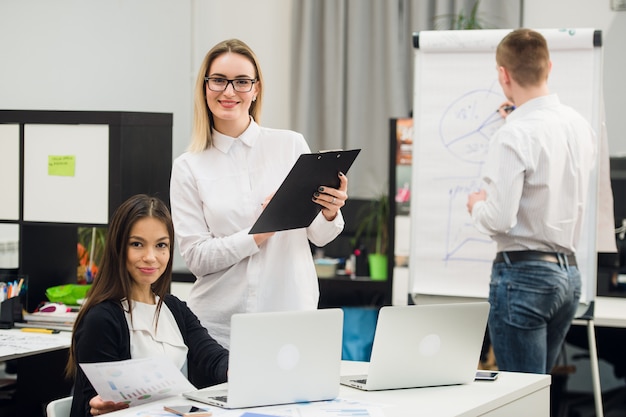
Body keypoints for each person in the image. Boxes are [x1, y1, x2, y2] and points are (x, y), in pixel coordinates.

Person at [169, 39, 348, 349]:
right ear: (204, 87)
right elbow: (197, 258)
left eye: (241, 81)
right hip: (218, 329)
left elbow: (319, 236)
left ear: (256, 89)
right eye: (218, 81)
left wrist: (330, 212)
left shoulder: (290, 146)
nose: (229, 91)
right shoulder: (188, 167)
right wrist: (259, 233)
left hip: (290, 318)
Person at [466, 28, 596, 374]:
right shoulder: (580, 126)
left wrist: (476, 205)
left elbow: (499, 219)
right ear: (548, 67)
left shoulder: (513, 135)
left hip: (524, 277)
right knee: (537, 392)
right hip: (568, 276)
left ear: (503, 75)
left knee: (520, 398)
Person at [66, 195, 229, 417]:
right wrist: (97, 408)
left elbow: (212, 357)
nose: (151, 257)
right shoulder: (102, 318)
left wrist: (235, 368)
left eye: (161, 245)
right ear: (118, 248)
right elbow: (88, 406)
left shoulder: (174, 308)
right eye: (137, 244)